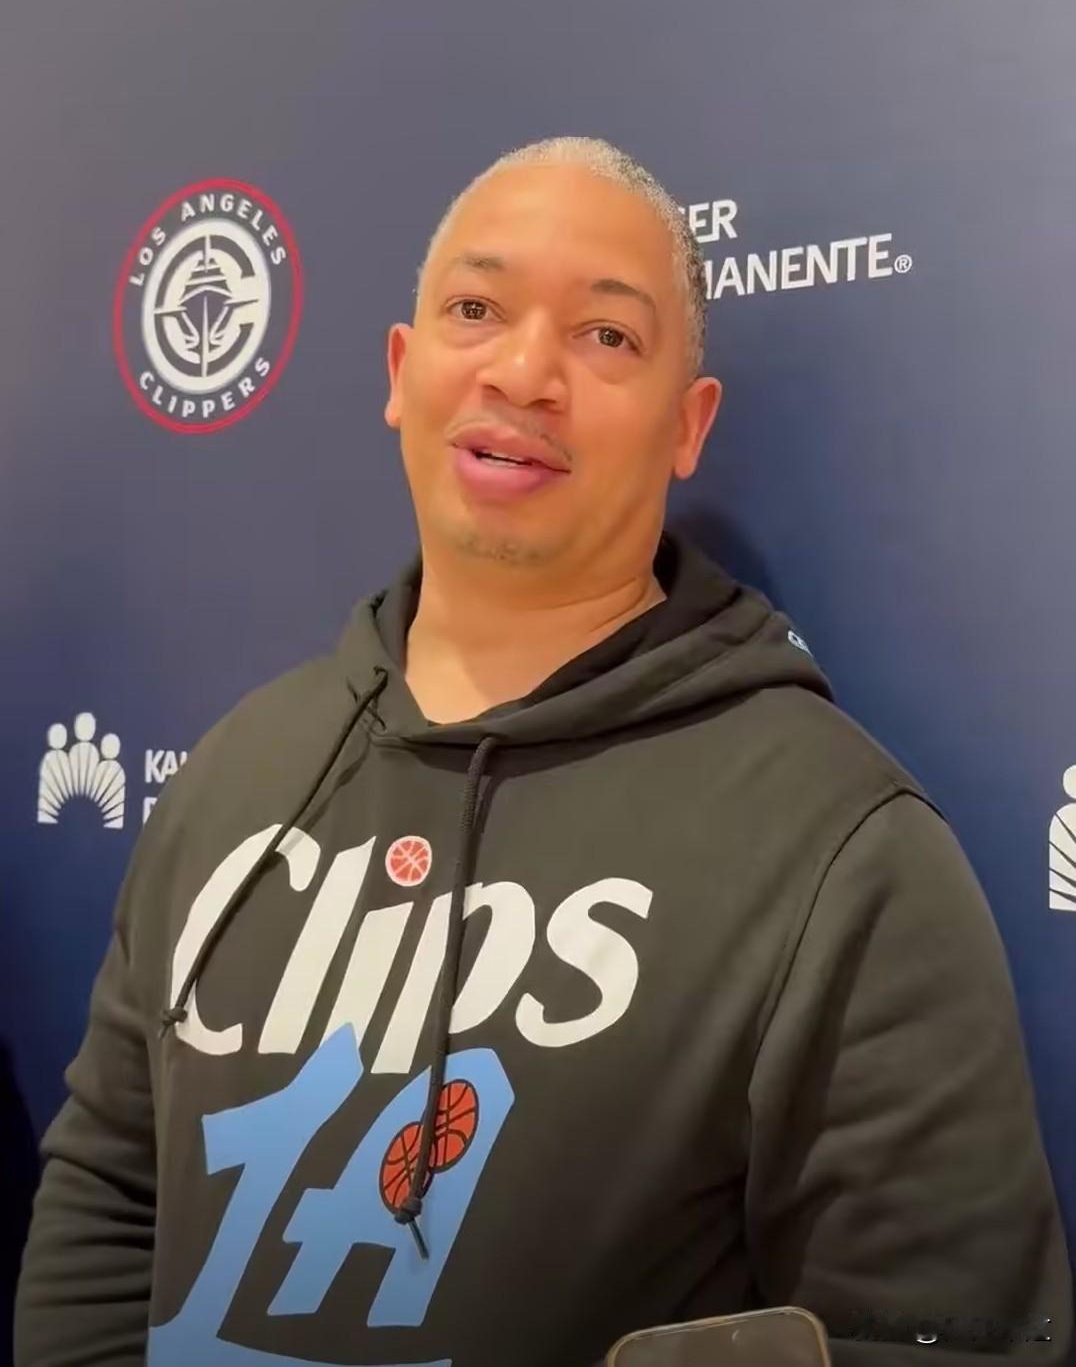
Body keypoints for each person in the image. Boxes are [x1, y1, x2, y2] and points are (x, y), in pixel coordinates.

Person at [16, 137, 1072, 1367]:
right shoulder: (235, 776)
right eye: (475, 309)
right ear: (401, 372)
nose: (522, 371)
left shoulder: (840, 849)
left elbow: (952, 1338)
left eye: (605, 335)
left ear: (687, 425)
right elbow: (110, 1208)